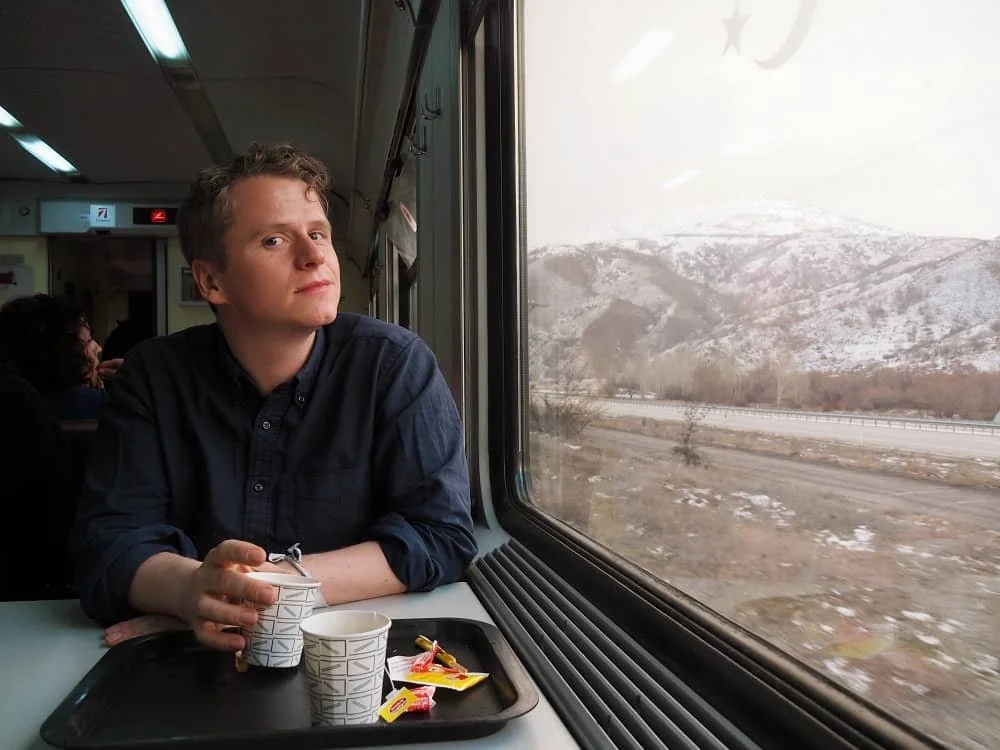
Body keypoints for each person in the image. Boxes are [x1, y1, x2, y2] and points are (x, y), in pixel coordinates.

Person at [71, 143, 477, 652]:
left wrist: (255, 593)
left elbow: (441, 535)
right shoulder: (154, 377)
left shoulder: (394, 365)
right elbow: (108, 545)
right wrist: (192, 593)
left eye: (317, 234)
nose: (314, 257)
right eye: (274, 240)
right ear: (212, 281)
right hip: (202, 658)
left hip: (352, 646)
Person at [0, 294, 122, 420]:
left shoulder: (11, 404)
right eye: (88, 341)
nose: (98, 348)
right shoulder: (97, 404)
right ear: (62, 352)